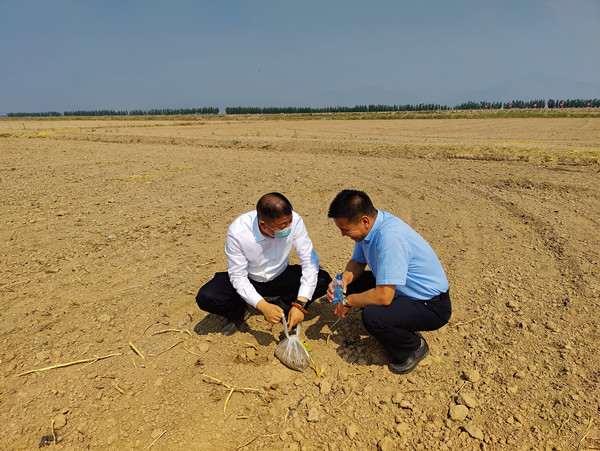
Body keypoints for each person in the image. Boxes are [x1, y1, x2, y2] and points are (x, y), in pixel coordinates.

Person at [326, 190, 451, 374]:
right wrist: (343, 279)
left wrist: (347, 301)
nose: (343, 235)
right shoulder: (370, 229)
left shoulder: (390, 237)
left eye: (345, 230)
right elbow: (358, 262)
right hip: (403, 292)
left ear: (364, 221)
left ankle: (413, 347)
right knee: (352, 284)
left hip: (431, 306)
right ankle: (395, 322)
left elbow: (384, 297)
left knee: (373, 316)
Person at [196, 192, 331, 336]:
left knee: (322, 279)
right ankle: (238, 311)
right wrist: (262, 305)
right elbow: (238, 276)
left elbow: (309, 261)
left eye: (289, 221)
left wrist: (301, 303)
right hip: (250, 277)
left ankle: (283, 307)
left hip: (280, 275)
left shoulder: (295, 221)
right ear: (263, 225)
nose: (288, 227)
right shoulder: (238, 232)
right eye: (282, 225)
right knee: (207, 296)